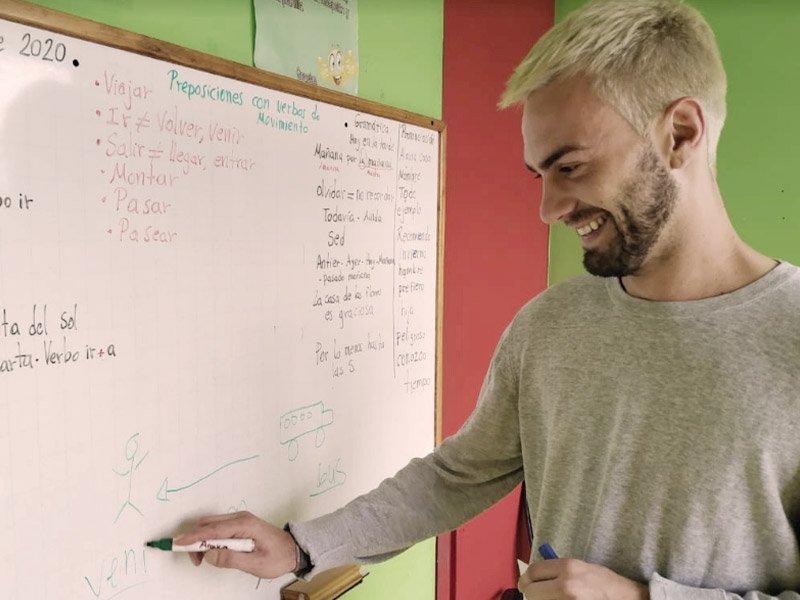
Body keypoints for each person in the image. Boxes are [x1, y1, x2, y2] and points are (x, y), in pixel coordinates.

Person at [176, 0, 800, 597]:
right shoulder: (549, 325)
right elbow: (455, 479)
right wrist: (302, 547)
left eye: (572, 167)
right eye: (540, 175)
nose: (549, 208)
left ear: (680, 134)